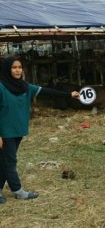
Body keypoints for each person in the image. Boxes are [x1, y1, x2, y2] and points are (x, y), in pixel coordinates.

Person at [0, 56, 80, 204]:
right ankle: (18, 191)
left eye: (19, 67)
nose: (18, 70)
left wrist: (69, 94)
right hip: (5, 132)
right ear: (7, 69)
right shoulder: (1, 87)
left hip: (18, 130)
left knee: (4, 161)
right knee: (10, 161)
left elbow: (47, 92)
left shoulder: (25, 87)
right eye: (14, 67)